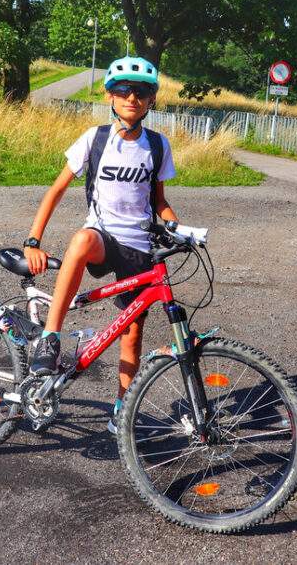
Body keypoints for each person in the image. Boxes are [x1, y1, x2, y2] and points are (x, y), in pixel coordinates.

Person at [22, 56, 179, 433]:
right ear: (110, 95)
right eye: (123, 90)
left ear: (151, 99)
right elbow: (57, 190)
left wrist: (178, 227)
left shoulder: (157, 146)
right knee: (81, 239)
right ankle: (50, 338)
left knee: (132, 334)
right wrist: (33, 240)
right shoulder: (95, 139)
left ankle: (122, 408)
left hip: (139, 246)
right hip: (102, 238)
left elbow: (159, 201)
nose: (132, 98)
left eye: (141, 92)